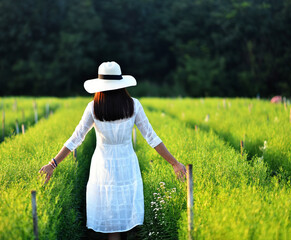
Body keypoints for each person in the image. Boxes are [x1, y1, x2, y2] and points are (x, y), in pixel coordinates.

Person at [39, 61, 187, 240]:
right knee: (125, 214)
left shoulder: (94, 107)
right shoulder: (133, 105)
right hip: (127, 164)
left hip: (103, 166)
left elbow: (76, 138)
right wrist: (175, 163)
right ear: (121, 84)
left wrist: (52, 164)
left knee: (111, 219)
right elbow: (151, 138)